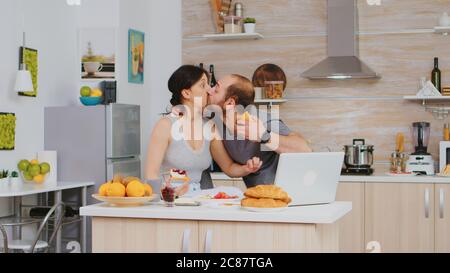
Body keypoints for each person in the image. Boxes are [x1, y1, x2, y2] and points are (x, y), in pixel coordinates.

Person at [144, 65, 262, 196]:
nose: (210, 90)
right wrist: (165, 196)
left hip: (197, 198)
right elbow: (151, 174)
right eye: (203, 85)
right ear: (186, 93)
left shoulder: (210, 127)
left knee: (236, 192)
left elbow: (228, 167)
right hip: (168, 199)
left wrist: (247, 168)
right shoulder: (165, 125)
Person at [206, 74, 312, 188]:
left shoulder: (262, 120)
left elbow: (304, 150)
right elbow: (229, 167)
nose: (209, 90)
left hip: (287, 194)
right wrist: (246, 169)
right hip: (258, 198)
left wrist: (263, 136)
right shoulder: (218, 127)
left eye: (216, 90)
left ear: (230, 103)